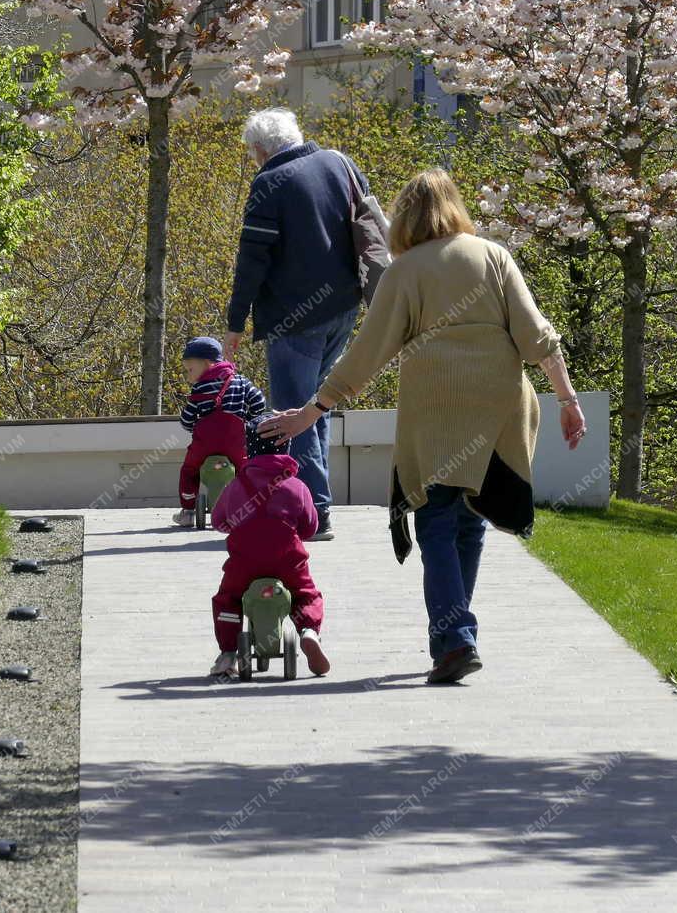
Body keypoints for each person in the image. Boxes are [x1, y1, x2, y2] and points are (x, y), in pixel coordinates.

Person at [261, 169, 588, 685]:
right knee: (470, 519)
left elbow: (365, 356)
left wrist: (310, 411)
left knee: (434, 517)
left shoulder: (404, 271)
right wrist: (568, 400)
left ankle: (454, 638)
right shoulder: (493, 256)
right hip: (499, 406)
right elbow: (537, 337)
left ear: (405, 218)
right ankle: (456, 635)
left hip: (436, 407)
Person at [224, 107, 376, 542]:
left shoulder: (269, 183)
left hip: (295, 319)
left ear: (260, 149)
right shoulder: (337, 161)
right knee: (317, 406)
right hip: (343, 310)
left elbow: (252, 260)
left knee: (294, 413)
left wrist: (236, 321)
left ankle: (313, 514)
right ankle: (317, 504)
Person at [209, 418, 330, 678]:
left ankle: (229, 654)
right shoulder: (297, 487)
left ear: (248, 449)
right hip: (288, 560)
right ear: (286, 448)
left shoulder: (236, 486)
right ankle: (309, 631)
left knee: (227, 599)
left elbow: (219, 521)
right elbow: (310, 526)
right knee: (305, 594)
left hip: (245, 562)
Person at [173, 336, 267, 527]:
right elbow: (259, 402)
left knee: (190, 470)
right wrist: (248, 421)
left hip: (204, 445)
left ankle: (189, 510)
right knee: (246, 471)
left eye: (190, 369)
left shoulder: (199, 388)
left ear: (207, 363)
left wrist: (193, 428)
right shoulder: (240, 381)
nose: (188, 375)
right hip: (236, 443)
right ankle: (249, 506)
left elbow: (186, 419)